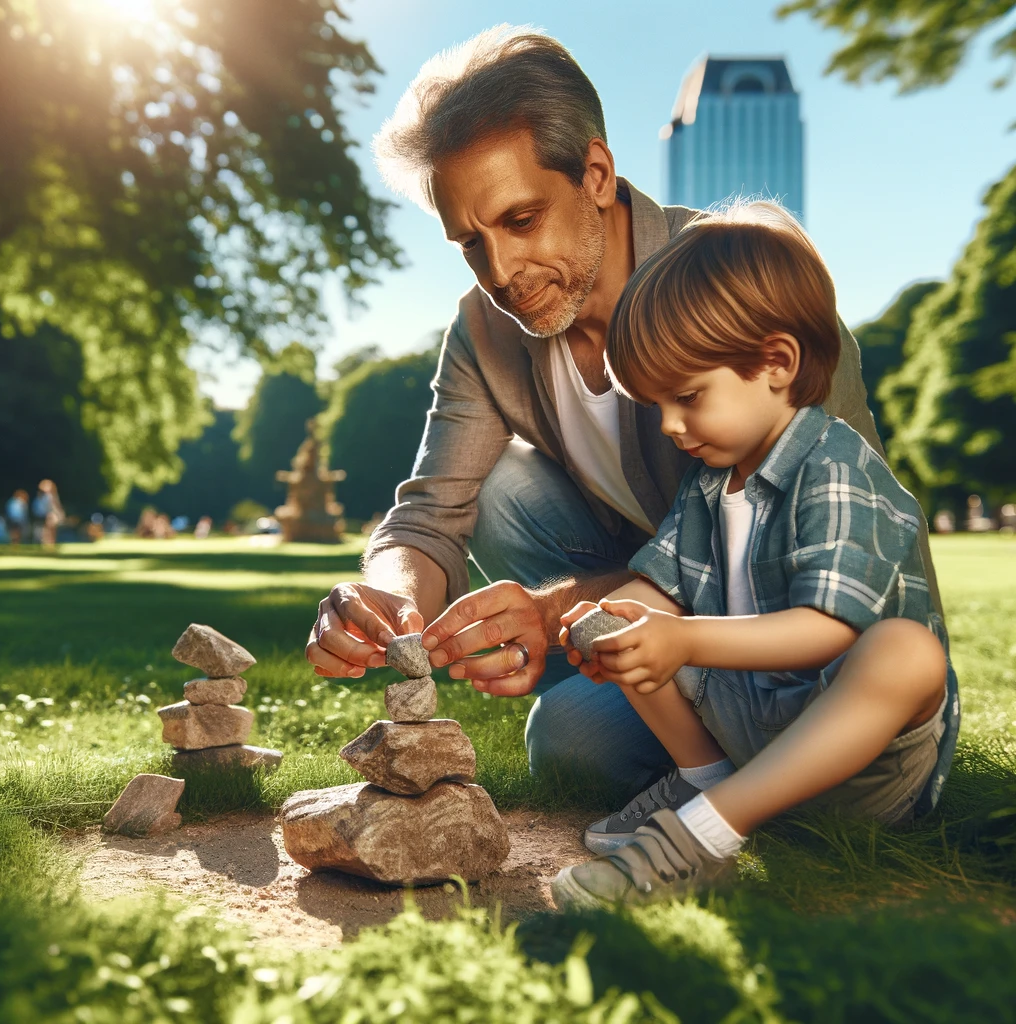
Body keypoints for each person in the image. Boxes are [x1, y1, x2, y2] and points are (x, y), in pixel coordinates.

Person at [305, 25, 944, 803]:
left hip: (806, 635)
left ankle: (758, 766)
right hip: (661, 606)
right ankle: (680, 729)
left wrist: (555, 610)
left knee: (572, 738)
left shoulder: (741, 288)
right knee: (500, 491)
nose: (500, 272)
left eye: (520, 220)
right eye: (470, 243)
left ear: (597, 174)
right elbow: (430, 514)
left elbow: (825, 549)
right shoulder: (483, 331)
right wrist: (386, 593)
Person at [549, 202, 959, 908]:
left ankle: (702, 834)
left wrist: (682, 639)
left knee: (906, 652)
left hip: (862, 766)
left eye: (687, 397)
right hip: (753, 734)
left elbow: (826, 630)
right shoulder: (710, 485)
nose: (672, 426)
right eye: (657, 408)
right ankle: (706, 786)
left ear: (777, 363)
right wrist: (617, 627)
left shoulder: (835, 466)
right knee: (633, 614)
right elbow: (662, 591)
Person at [32, 479, 65, 547]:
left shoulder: (51, 496)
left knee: (50, 530)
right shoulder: (42, 497)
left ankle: (50, 544)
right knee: (46, 531)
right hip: (44, 515)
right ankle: (47, 544)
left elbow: (56, 506)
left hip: (50, 515)